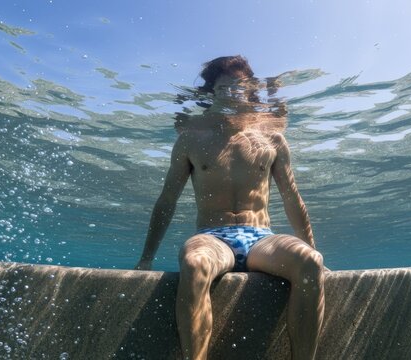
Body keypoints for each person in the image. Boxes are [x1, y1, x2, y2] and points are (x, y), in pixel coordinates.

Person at [135, 55, 325, 360]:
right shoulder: (191, 139)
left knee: (311, 262)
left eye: (239, 87)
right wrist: (146, 259)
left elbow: (293, 199)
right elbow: (166, 201)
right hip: (212, 236)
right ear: (212, 92)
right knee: (195, 263)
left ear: (250, 90)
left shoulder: (271, 138)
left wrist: (311, 246)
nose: (233, 94)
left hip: (262, 237)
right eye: (224, 88)